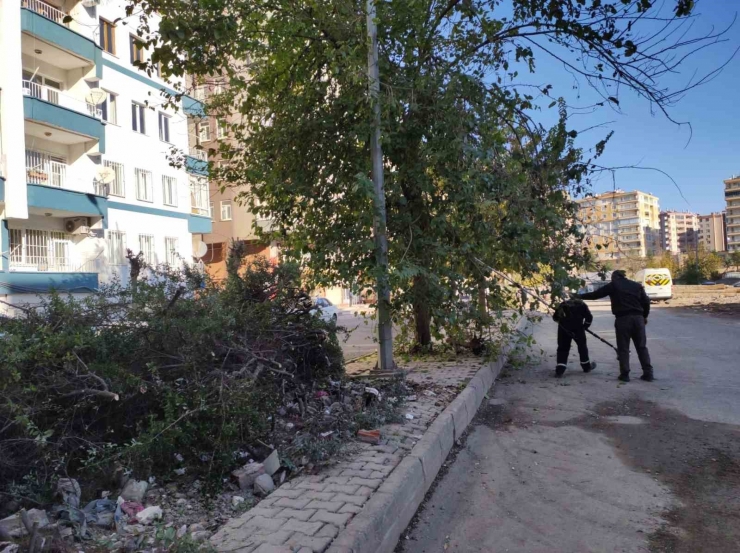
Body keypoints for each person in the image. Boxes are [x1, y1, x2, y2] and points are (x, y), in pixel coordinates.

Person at [578, 270, 653, 382]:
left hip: (623, 319)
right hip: (638, 319)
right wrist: (644, 316)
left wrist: (577, 296)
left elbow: (595, 295)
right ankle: (648, 374)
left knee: (623, 348)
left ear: (614, 277)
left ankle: (625, 374)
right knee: (642, 346)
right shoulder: (637, 285)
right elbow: (646, 301)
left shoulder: (614, 285)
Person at [552, 298, 597, 377]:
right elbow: (589, 317)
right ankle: (586, 367)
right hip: (578, 329)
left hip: (564, 330)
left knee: (563, 348)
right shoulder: (582, 305)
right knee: (582, 347)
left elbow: (555, 317)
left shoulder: (563, 304)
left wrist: (562, 321)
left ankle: (560, 370)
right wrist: (585, 326)